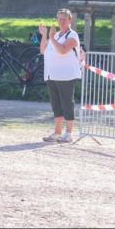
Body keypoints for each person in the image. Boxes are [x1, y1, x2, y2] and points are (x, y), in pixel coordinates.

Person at [39, 8, 82, 143]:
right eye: (59, 19)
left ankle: (68, 133)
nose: (61, 22)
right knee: (56, 105)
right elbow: (43, 50)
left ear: (70, 20)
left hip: (66, 75)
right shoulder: (56, 35)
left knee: (67, 104)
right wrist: (45, 35)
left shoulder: (72, 35)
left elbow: (63, 50)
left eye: (64, 19)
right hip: (52, 75)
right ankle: (57, 132)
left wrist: (51, 37)